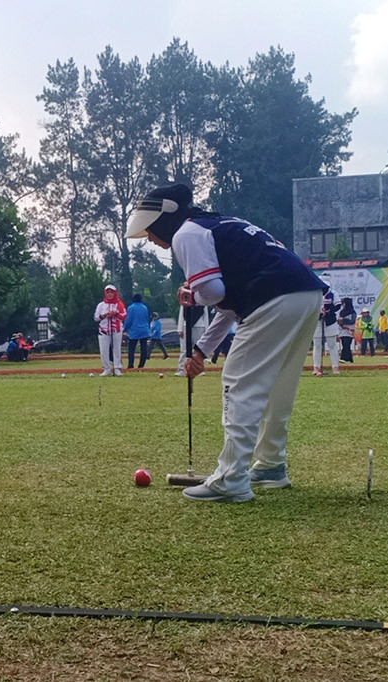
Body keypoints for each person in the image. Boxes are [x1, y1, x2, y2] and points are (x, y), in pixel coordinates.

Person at [126, 183, 327, 503]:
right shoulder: (218, 224)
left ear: (164, 219)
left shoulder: (186, 235)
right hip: (306, 294)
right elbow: (229, 305)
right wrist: (201, 350)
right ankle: (271, 466)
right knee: (278, 387)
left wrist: (193, 293)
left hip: (274, 297)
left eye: (149, 230)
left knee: (238, 381)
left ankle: (232, 477)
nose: (149, 238)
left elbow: (214, 294)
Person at [94, 284, 126, 376]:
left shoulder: (119, 304)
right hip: (104, 330)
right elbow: (96, 317)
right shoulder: (101, 305)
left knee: (117, 349)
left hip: (117, 330)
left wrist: (115, 314)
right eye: (108, 293)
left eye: (112, 292)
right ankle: (106, 368)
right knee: (104, 350)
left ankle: (117, 368)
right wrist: (104, 316)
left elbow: (123, 316)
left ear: (115, 293)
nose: (110, 294)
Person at [312, 285, 340, 377]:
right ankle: (316, 367)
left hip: (330, 321)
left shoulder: (333, 293)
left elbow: (338, 305)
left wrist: (328, 311)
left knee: (332, 345)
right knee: (317, 345)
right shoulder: (313, 293)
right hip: (317, 321)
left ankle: (335, 367)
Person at [176, 305, 208, 376]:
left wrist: (206, 330)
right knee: (184, 349)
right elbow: (181, 314)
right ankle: (181, 369)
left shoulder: (202, 301)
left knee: (198, 349)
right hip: (186, 325)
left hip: (199, 326)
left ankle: (199, 369)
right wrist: (180, 328)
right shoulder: (186, 297)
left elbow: (205, 316)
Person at [124, 293, 151, 369]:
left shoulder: (131, 308)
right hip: (144, 330)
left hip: (134, 330)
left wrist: (124, 329)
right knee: (144, 349)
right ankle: (141, 365)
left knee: (131, 349)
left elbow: (128, 320)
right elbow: (146, 319)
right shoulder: (145, 307)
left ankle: (131, 365)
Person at [337, 297, 356, 363]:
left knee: (346, 344)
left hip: (349, 331)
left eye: (343, 303)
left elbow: (352, 321)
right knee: (344, 344)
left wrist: (343, 320)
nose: (342, 304)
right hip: (342, 331)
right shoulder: (341, 312)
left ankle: (344, 357)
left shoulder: (352, 312)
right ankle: (349, 359)